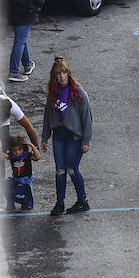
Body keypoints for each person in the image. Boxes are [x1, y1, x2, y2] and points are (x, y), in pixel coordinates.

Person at [37, 57, 94, 217]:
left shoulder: (78, 93)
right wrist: (45, 137)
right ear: (54, 76)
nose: (62, 76)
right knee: (60, 170)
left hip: (74, 137)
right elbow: (47, 115)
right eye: (58, 73)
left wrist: (86, 141)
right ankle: (59, 203)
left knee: (72, 169)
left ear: (68, 73)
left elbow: (87, 118)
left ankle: (83, 201)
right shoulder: (52, 94)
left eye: (64, 73)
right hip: (59, 136)